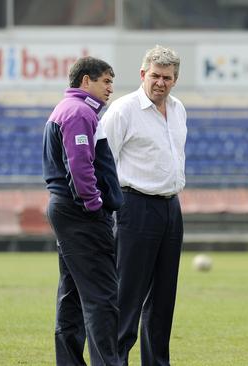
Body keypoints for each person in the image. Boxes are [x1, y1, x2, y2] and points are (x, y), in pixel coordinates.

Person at [100, 45, 187, 366]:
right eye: (155, 76)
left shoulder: (179, 109)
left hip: (170, 207)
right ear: (142, 75)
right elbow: (102, 161)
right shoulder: (123, 110)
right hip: (134, 206)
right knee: (128, 295)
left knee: (164, 297)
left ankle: (156, 362)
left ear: (175, 79)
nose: (160, 82)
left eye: (167, 77)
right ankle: (116, 360)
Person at [42, 56, 122, 366]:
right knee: (102, 297)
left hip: (66, 211)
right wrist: (94, 204)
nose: (110, 88)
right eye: (105, 81)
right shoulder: (79, 112)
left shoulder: (67, 109)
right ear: (85, 81)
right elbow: (79, 165)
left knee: (72, 295)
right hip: (81, 215)